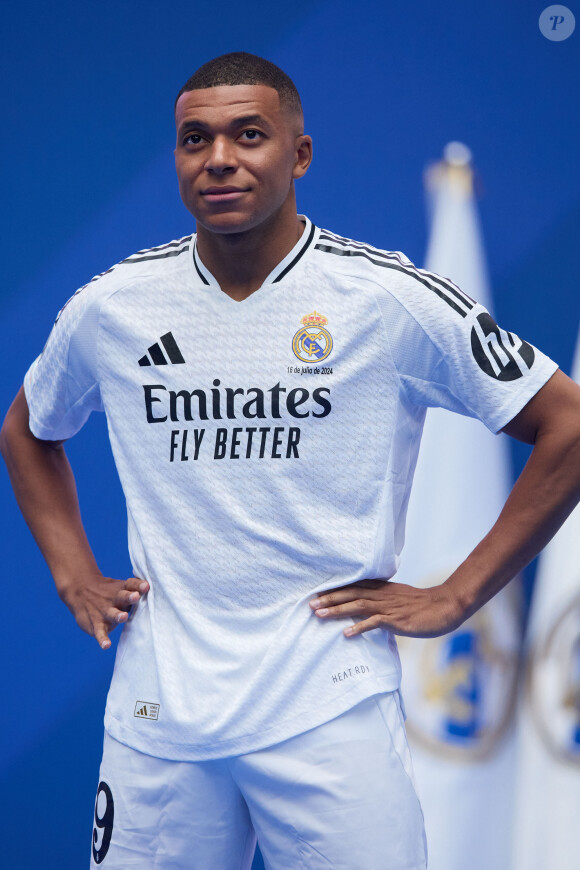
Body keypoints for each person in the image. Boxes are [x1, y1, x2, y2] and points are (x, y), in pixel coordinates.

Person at [2, 51, 580, 870]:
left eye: (249, 135)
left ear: (299, 154)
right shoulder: (113, 307)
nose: (219, 159)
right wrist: (71, 574)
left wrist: (459, 593)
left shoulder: (387, 298)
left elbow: (569, 423)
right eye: (194, 140)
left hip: (330, 709)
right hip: (159, 717)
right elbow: (28, 427)